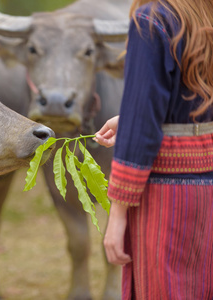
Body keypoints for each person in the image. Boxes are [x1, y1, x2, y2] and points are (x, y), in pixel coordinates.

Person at [93, 0, 213, 299]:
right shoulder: (203, 13)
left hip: (167, 195)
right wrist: (133, 116)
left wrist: (118, 212)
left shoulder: (152, 19)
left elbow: (144, 126)